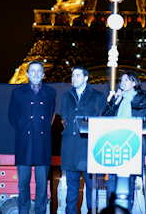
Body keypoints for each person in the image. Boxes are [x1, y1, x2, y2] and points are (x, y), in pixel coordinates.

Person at [8, 61, 56, 214]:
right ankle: (24, 211)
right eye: (32, 71)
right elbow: (12, 116)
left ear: (43, 74)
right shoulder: (17, 92)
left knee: (42, 185)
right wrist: (23, 128)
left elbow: (51, 115)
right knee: (23, 184)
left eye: (39, 71)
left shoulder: (50, 92)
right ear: (27, 74)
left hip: (43, 143)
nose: (35, 74)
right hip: (24, 143)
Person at [102, 71, 146, 211]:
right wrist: (115, 100)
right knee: (111, 181)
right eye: (121, 80)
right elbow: (104, 117)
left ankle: (126, 210)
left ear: (134, 82)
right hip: (114, 144)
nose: (122, 83)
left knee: (129, 182)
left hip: (132, 144)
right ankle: (111, 210)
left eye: (126, 80)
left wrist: (126, 99)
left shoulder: (142, 97)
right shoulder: (117, 98)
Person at [58, 66, 104, 214]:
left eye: (77, 75)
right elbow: (64, 118)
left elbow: (101, 120)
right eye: (72, 75)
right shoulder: (66, 96)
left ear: (86, 78)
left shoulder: (97, 96)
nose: (73, 78)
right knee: (71, 190)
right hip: (70, 148)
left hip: (88, 149)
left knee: (91, 189)